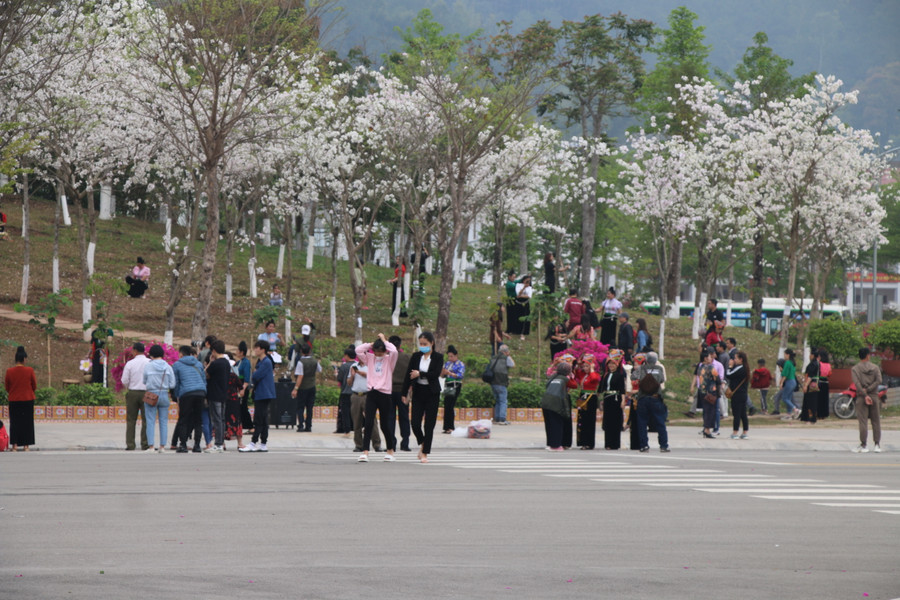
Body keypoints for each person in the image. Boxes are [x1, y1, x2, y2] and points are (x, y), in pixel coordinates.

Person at [355, 334, 399, 462]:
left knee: (385, 424)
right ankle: (365, 451)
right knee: (368, 423)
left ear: (385, 351)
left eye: (381, 352)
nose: (378, 354)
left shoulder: (389, 360)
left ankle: (390, 450)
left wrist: (385, 341)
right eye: (376, 352)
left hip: (385, 394)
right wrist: (370, 345)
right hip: (372, 393)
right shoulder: (369, 358)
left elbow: (394, 351)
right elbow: (358, 350)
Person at [402, 332, 444, 463]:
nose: (423, 346)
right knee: (415, 423)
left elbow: (435, 374)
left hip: (432, 393)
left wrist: (420, 373)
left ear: (432, 343)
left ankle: (425, 452)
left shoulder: (438, 357)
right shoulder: (416, 356)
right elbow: (409, 375)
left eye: (425, 344)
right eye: (421, 344)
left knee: (429, 425)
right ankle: (423, 443)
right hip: (418, 392)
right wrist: (404, 393)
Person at [240, 340, 275, 452]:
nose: (255, 350)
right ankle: (263, 443)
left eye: (257, 348)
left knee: (259, 419)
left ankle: (253, 442)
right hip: (260, 393)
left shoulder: (266, 362)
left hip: (264, 393)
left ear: (263, 349)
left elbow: (255, 376)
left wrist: (255, 373)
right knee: (263, 420)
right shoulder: (260, 362)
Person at [171, 345, 206, 453]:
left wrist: (176, 396)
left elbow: (176, 383)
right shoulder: (198, 364)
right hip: (200, 392)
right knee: (198, 420)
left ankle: (183, 445)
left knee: (183, 419)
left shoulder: (177, 365)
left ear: (181, 354)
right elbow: (203, 380)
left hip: (186, 393)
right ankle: (197, 446)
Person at [142, 345, 175, 453]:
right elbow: (173, 384)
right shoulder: (168, 367)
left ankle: (151, 446)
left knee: (150, 420)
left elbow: (144, 381)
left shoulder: (148, 366)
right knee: (163, 421)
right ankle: (162, 446)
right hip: (164, 394)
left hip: (151, 394)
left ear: (151, 354)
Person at [634, 351, 669, 452]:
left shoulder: (641, 369)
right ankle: (663, 445)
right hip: (655, 398)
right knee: (660, 422)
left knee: (642, 423)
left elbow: (635, 378)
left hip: (643, 398)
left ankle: (644, 445)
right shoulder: (659, 369)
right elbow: (662, 380)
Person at [4, 346, 36, 451]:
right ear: (24, 359)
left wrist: (14, 392)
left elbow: (7, 387)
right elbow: (34, 385)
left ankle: (15, 445)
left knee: (15, 423)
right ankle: (26, 445)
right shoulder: (29, 370)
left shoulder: (9, 371)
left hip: (14, 400)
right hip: (27, 399)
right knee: (27, 423)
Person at [851, 347, 883, 453]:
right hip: (874, 396)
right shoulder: (875, 367)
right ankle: (877, 444)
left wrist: (865, 394)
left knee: (863, 422)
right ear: (868, 355)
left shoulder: (855, 369)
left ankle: (864, 445)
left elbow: (857, 384)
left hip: (862, 397)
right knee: (876, 421)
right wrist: (870, 390)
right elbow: (879, 380)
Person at [348, 357, 382, 452]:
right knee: (356, 421)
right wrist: (352, 376)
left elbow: (374, 378)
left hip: (368, 395)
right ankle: (359, 445)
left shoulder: (371, 366)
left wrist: (359, 373)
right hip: (355, 395)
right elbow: (349, 383)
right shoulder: (353, 366)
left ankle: (377, 444)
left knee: (372, 420)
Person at [120, 343, 150, 451]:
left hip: (133, 392)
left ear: (135, 351)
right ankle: (145, 444)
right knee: (146, 419)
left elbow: (124, 380)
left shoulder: (130, 363)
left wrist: (129, 387)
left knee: (131, 419)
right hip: (147, 392)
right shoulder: (150, 362)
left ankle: (130, 444)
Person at [205, 340, 230, 452]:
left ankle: (218, 444)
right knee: (221, 420)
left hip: (214, 394)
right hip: (224, 394)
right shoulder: (226, 363)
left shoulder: (215, 364)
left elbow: (205, 374)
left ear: (214, 351)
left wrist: (210, 362)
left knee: (216, 420)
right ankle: (220, 442)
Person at [542, 362, 573, 451]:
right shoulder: (565, 379)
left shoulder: (552, 377)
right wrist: (570, 376)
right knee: (557, 424)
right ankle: (556, 446)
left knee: (549, 424)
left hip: (546, 401)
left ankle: (550, 444)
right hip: (556, 403)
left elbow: (547, 385)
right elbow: (574, 385)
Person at [599, 349, 627, 450]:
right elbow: (601, 388)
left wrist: (623, 400)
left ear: (617, 365)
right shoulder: (605, 375)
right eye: (609, 364)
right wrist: (600, 399)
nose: (611, 366)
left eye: (613, 364)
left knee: (615, 421)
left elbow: (622, 390)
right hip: (607, 399)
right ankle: (608, 443)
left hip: (616, 399)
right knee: (608, 421)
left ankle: (615, 444)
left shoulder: (619, 376)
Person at [291, 342, 321, 432]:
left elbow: (300, 376)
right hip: (312, 386)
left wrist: (295, 388)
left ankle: (300, 425)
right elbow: (319, 369)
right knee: (309, 407)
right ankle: (309, 426)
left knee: (300, 407)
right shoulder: (315, 361)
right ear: (310, 351)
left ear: (301, 352)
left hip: (303, 387)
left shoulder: (301, 362)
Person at [389, 335, 412, 451]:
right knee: (404, 417)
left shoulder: (386, 358)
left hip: (388, 391)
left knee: (390, 418)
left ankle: (392, 443)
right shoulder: (407, 357)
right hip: (403, 391)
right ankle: (405, 443)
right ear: (400, 345)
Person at [692, 350, 721, 439]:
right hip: (711, 392)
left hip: (702, 392)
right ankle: (707, 430)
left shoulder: (700, 367)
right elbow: (718, 379)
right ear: (705, 358)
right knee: (711, 411)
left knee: (706, 411)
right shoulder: (711, 368)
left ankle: (705, 428)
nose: (711, 358)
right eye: (709, 357)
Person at [575, 355, 601, 450]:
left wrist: (592, 369)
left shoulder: (595, 374)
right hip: (582, 397)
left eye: (587, 366)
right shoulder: (583, 375)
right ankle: (582, 441)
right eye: (584, 366)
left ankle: (589, 443)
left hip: (590, 398)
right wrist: (578, 365)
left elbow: (594, 379)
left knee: (589, 421)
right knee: (582, 420)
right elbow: (576, 373)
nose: (585, 368)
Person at [488, 344, 515, 425]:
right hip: (501, 382)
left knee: (498, 401)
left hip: (493, 382)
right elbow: (513, 365)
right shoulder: (506, 358)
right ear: (506, 351)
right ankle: (502, 419)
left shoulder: (493, 358)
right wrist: (509, 356)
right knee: (503, 401)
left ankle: (497, 418)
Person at [441, 345, 465, 434]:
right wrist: (443, 373)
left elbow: (460, 375)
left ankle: (451, 426)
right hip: (447, 385)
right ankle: (446, 426)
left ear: (456, 355)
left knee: (451, 405)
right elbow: (442, 375)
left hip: (455, 385)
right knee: (446, 405)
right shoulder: (447, 364)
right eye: (449, 356)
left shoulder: (460, 364)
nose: (450, 358)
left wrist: (450, 373)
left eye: (452, 356)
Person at [726, 351, 750, 439]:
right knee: (743, 414)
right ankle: (745, 432)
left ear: (741, 359)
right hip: (743, 394)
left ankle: (735, 432)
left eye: (736, 358)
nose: (734, 360)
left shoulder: (739, 368)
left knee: (736, 414)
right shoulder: (746, 368)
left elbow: (729, 375)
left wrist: (730, 366)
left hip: (737, 394)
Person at [223, 354, 245, 450]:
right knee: (236, 421)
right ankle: (239, 443)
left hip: (223, 400)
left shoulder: (220, 376)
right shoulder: (233, 376)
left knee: (222, 420)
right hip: (234, 400)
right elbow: (240, 387)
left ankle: (221, 443)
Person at [335, 347, 356, 435]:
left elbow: (339, 379)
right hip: (356, 392)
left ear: (347, 356)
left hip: (345, 392)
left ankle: (347, 429)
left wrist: (336, 374)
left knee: (345, 411)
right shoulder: (357, 365)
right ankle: (356, 427)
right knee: (356, 411)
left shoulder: (344, 366)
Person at [235, 341, 254, 433]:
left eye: (237, 350)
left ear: (242, 352)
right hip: (238, 385)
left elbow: (247, 377)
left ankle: (250, 426)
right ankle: (242, 425)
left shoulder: (246, 363)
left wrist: (243, 388)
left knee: (243, 406)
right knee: (239, 407)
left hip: (243, 386)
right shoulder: (239, 362)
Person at [800, 347, 820, 424]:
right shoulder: (816, 363)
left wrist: (805, 385)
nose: (809, 356)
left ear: (812, 355)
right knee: (810, 401)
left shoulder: (813, 364)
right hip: (813, 383)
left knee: (811, 401)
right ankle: (807, 417)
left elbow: (810, 376)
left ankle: (811, 418)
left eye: (810, 354)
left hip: (811, 384)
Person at [779, 349, 800, 419]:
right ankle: (789, 414)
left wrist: (781, 382)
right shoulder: (792, 363)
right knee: (789, 398)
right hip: (793, 381)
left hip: (789, 382)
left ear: (788, 355)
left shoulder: (787, 363)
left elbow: (785, 374)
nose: (784, 356)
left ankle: (796, 409)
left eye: (785, 354)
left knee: (784, 398)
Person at [511, 275, 534, 339]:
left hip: (525, 303)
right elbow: (518, 294)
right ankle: (517, 330)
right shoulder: (518, 285)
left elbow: (529, 296)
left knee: (525, 316)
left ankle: (524, 331)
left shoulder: (529, 287)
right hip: (518, 303)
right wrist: (524, 287)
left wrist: (522, 295)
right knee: (518, 316)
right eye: (526, 280)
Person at [817, 350, 832, 419]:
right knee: (825, 399)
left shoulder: (819, 364)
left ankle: (819, 413)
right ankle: (825, 414)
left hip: (820, 381)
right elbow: (829, 374)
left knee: (819, 399)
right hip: (826, 382)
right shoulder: (828, 365)